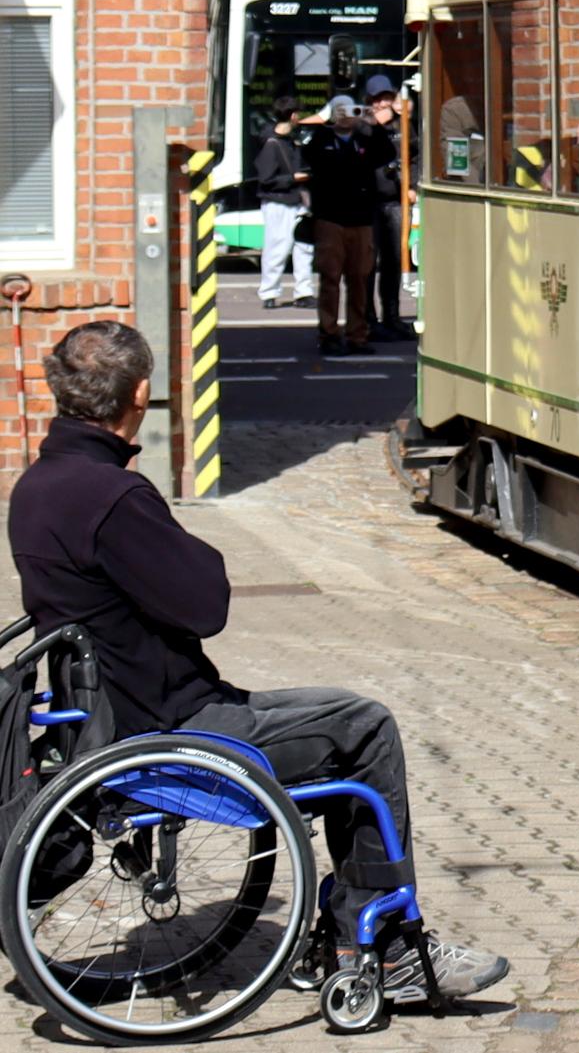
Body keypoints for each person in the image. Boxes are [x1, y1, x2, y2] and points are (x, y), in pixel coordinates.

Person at [7, 323, 509, 999]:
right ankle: (383, 945)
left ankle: (345, 933)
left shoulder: (35, 487)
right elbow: (205, 602)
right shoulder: (114, 498)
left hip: (102, 716)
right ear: (143, 394)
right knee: (364, 726)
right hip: (172, 723)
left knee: (335, 724)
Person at [306, 96, 384, 356]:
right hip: (330, 218)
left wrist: (373, 125)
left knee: (360, 278)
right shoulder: (321, 140)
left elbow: (386, 154)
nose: (348, 115)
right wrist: (330, 122)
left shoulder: (365, 139)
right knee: (330, 277)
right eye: (343, 111)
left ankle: (357, 335)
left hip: (361, 219)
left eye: (352, 110)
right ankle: (328, 334)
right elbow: (313, 160)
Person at [252, 96, 314, 310]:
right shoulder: (273, 144)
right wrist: (294, 178)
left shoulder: (285, 140)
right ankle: (272, 291)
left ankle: (299, 291)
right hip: (279, 201)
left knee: (303, 247)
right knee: (279, 247)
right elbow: (266, 179)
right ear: (293, 115)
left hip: (292, 200)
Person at [363, 76, 412, 339]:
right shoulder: (362, 126)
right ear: (368, 101)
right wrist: (373, 125)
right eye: (376, 98)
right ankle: (368, 320)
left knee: (393, 261)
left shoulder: (404, 125)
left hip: (396, 200)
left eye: (386, 97)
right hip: (370, 201)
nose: (382, 103)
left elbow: (415, 155)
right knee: (368, 262)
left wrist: (412, 183)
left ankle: (392, 316)